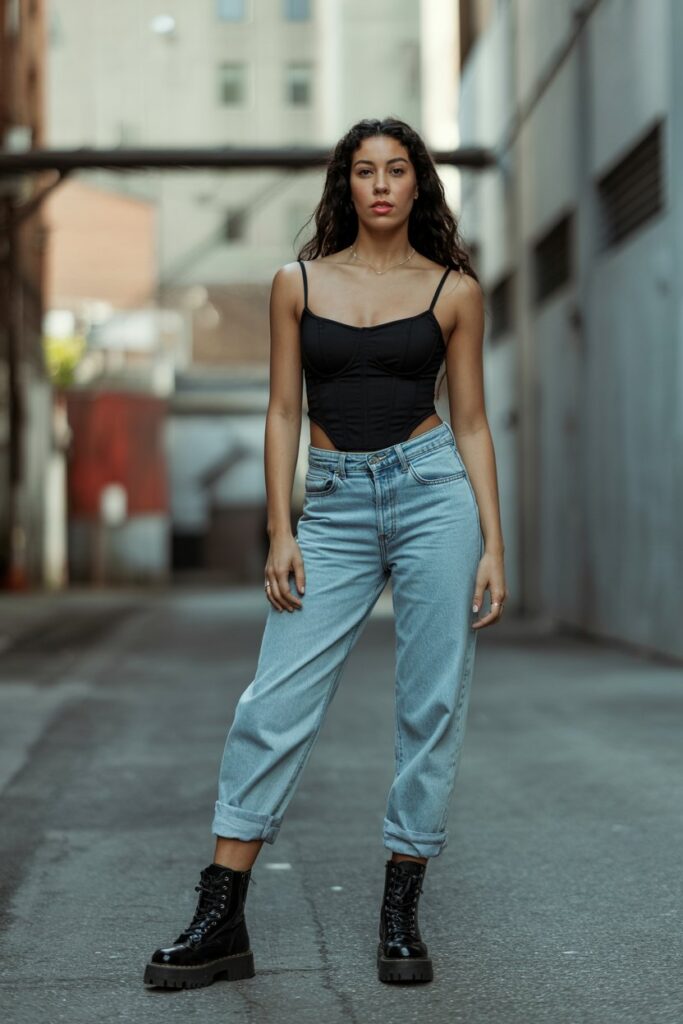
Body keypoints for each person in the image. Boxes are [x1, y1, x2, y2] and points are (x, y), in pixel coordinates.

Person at [143, 116, 508, 990]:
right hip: (335, 506)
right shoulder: (295, 283)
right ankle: (221, 913)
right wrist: (281, 526)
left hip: (432, 496)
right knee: (273, 701)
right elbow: (279, 411)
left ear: (419, 183)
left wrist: (493, 541)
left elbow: (470, 421)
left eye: (395, 170)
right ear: (344, 186)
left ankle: (399, 915)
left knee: (430, 707)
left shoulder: (453, 290)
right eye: (362, 171)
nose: (379, 185)